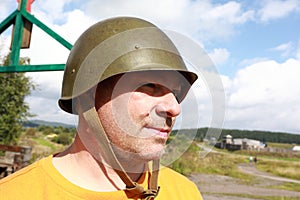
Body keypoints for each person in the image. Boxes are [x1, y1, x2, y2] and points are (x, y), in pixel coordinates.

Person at [0, 17, 202, 199]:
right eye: (149, 85)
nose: (175, 108)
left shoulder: (185, 193)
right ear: (87, 97)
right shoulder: (15, 194)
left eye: (175, 93)